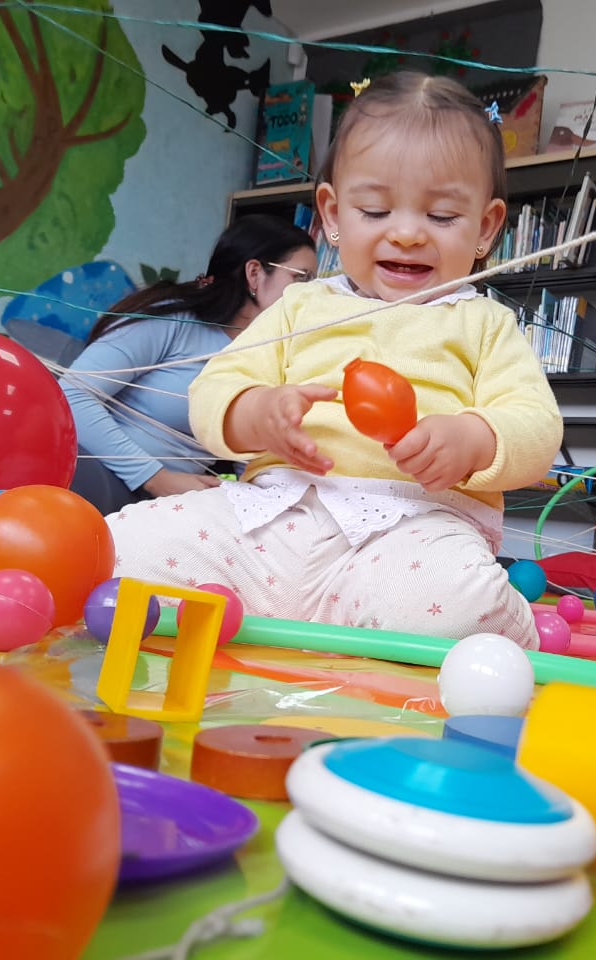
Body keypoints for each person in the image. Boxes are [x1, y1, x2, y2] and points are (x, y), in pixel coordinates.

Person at [106, 71, 563, 648]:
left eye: (441, 217)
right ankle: (300, 614)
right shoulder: (300, 304)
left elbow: (536, 424)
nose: (406, 234)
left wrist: (473, 439)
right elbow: (215, 388)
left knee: (453, 605)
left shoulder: (485, 323)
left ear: (486, 227)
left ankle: (473, 621)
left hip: (409, 532)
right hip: (271, 517)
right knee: (121, 549)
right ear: (332, 216)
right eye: (374, 211)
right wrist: (258, 410)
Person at [61, 216, 317, 514]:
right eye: (301, 278)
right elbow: (72, 394)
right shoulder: (173, 322)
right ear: (255, 274)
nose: (311, 294)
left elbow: (246, 459)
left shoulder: (270, 360)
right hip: (101, 474)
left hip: (168, 505)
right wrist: (156, 478)